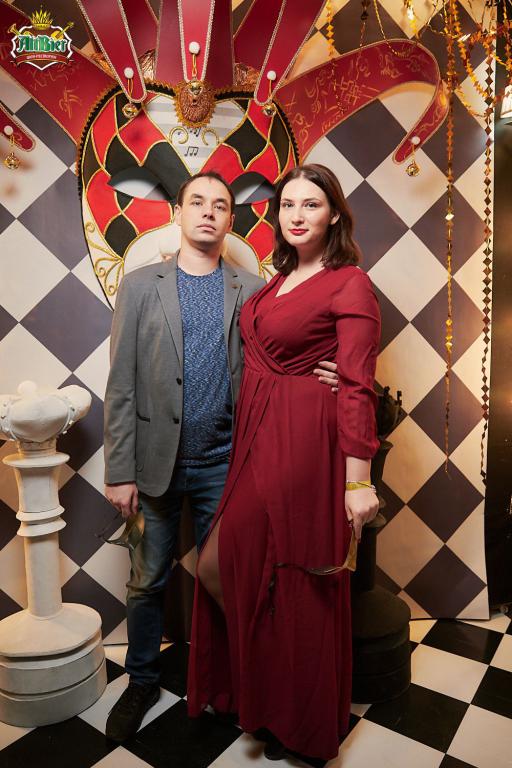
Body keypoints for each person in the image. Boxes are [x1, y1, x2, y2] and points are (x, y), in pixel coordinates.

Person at [102, 170, 339, 742]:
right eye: (197, 202)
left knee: (234, 578)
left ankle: (239, 684)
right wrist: (118, 470)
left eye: (220, 205)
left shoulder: (254, 288)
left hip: (227, 464)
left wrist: (326, 374)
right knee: (147, 582)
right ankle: (141, 680)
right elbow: (121, 385)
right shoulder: (140, 286)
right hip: (154, 464)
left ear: (232, 220)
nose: (208, 212)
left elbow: (280, 358)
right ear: (178, 214)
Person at [188, 164, 381, 761]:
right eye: (288, 204)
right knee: (224, 561)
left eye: (311, 204)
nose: (297, 215)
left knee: (297, 578)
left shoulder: (349, 283)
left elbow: (357, 386)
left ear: (334, 215)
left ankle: (298, 722)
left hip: (305, 441)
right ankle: (267, 691)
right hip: (257, 433)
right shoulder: (277, 280)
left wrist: (358, 483)